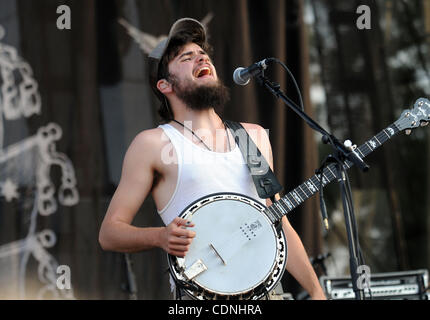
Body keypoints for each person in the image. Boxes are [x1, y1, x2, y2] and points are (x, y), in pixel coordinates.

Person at [98, 17, 326, 300]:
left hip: (267, 290)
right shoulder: (153, 144)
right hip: (201, 294)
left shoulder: (252, 136)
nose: (201, 57)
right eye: (186, 57)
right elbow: (109, 233)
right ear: (165, 85)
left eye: (202, 54)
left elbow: (279, 223)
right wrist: (160, 237)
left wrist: (316, 291)